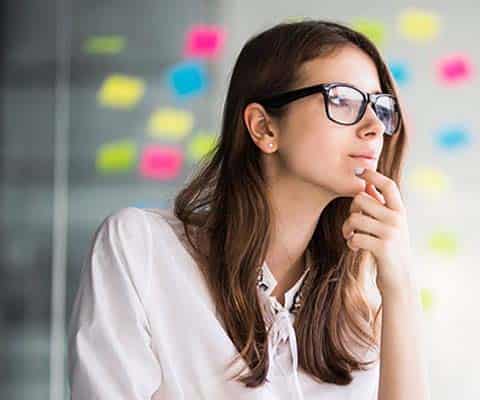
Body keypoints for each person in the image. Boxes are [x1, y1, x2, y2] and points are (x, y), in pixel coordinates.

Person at [67, 19, 429, 400]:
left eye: (380, 106)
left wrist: (399, 286)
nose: (374, 126)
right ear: (263, 128)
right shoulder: (141, 250)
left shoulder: (356, 312)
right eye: (341, 99)